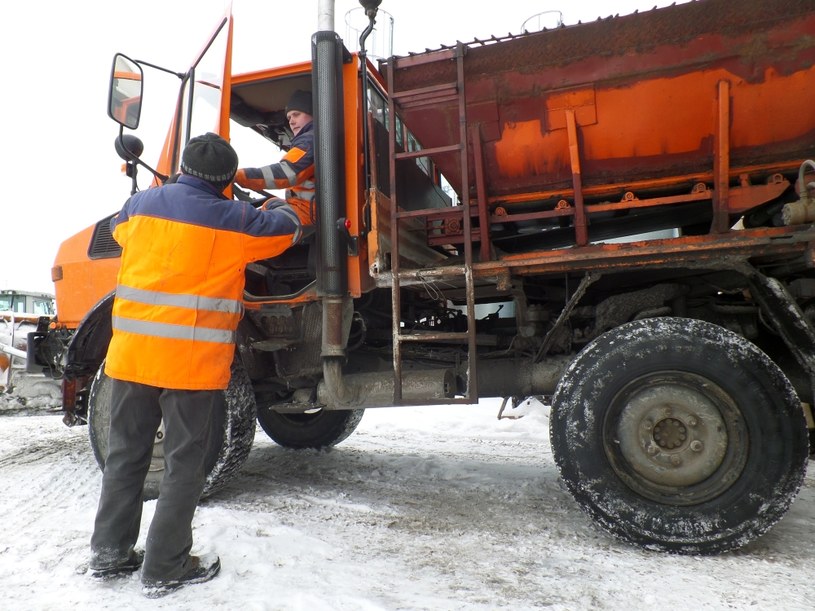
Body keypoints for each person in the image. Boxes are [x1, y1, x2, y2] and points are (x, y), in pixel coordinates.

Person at [88, 133, 302, 598]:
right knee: (184, 465)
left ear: (182, 167)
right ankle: (165, 566)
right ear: (227, 180)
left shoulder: (140, 207)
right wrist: (277, 206)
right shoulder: (236, 219)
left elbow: (119, 228)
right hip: (191, 366)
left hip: (128, 359)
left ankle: (109, 554)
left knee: (126, 457)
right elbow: (288, 231)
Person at [234, 89, 316, 226]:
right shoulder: (312, 140)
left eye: (297, 115)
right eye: (289, 118)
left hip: (308, 214)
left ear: (313, 115)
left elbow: (286, 173)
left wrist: (237, 176)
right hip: (307, 211)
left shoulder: (309, 141)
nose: (292, 122)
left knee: (250, 226)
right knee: (270, 205)